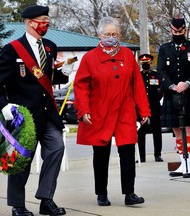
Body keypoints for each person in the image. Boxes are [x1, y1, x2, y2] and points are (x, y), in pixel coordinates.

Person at [0, 5, 73, 216]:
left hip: (47, 114)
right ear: (29, 23)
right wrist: (5, 106)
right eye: (42, 20)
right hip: (24, 117)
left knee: (56, 149)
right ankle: (18, 206)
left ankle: (46, 199)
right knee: (21, 162)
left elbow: (48, 79)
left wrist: (63, 73)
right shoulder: (12, 49)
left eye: (47, 20)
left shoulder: (50, 47)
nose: (46, 24)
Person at [74, 16, 151, 206]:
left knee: (127, 152)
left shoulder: (127, 55)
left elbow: (138, 86)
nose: (111, 37)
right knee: (101, 154)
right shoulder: (90, 58)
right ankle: (101, 193)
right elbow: (81, 86)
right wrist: (83, 110)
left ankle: (129, 193)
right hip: (100, 112)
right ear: (99, 35)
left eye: (114, 34)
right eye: (107, 34)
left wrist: (144, 111)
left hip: (125, 111)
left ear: (119, 34)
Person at [157, 17, 190, 178]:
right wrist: (172, 86)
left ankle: (188, 164)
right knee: (176, 128)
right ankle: (182, 163)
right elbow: (161, 71)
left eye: (180, 31)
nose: (177, 34)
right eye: (174, 31)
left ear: (185, 30)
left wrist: (187, 83)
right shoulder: (164, 48)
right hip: (172, 93)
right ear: (170, 30)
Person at [137, 54, 163, 162]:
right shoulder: (138, 76)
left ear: (150, 63)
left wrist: (157, 97)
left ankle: (157, 154)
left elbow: (161, 90)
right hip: (141, 107)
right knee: (141, 133)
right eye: (143, 64)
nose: (145, 65)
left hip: (154, 107)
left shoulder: (156, 75)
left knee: (157, 132)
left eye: (147, 63)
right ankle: (141, 156)